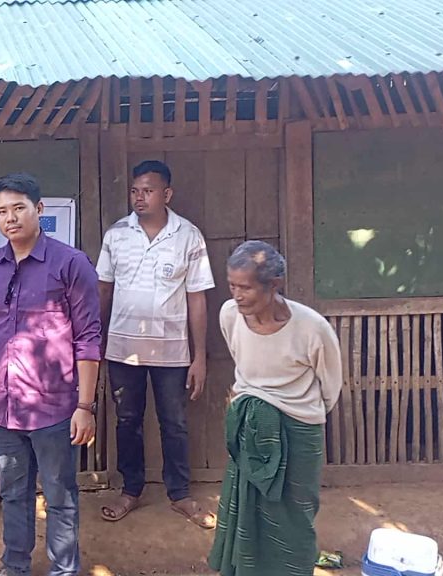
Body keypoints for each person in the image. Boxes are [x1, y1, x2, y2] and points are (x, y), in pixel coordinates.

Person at [0, 173, 102, 576]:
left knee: (60, 497)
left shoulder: (70, 264)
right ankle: (15, 566)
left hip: (56, 409)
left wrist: (85, 406)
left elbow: (89, 338)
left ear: (39, 209)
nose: (10, 218)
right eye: (2, 211)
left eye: (19, 208)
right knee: (13, 493)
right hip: (2, 408)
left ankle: (64, 570)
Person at [209, 241, 342, 576]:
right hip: (251, 426)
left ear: (274, 285)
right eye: (232, 286)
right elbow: (243, 363)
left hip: (299, 429)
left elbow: (330, 386)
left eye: (246, 287)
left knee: (295, 515)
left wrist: (293, 411)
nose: (237, 296)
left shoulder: (312, 328)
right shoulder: (229, 315)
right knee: (246, 510)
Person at [96, 160, 217, 528]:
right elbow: (104, 291)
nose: (139, 197)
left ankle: (179, 494)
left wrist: (199, 357)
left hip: (172, 351)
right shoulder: (117, 235)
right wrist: (95, 343)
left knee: (174, 422)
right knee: (127, 420)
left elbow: (197, 298)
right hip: (122, 350)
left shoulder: (188, 236)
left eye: (148, 191)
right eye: (135, 191)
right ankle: (130, 490)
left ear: (167, 194)